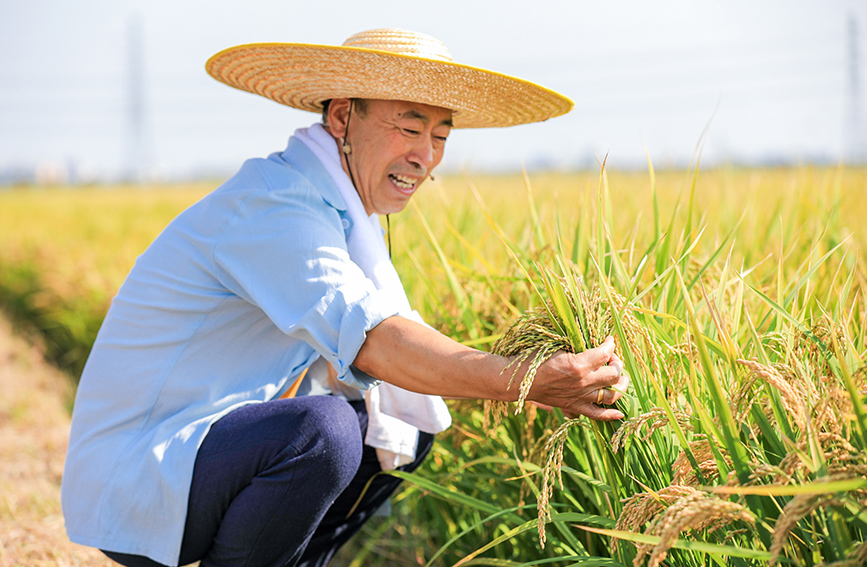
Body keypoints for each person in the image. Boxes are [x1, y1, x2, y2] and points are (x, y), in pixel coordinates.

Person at [61, 28, 630, 567]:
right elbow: (376, 340)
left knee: (402, 426)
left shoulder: (335, 209)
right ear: (340, 118)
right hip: (137, 472)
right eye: (409, 128)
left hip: (199, 452)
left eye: (440, 136)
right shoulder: (277, 207)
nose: (425, 156)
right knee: (325, 432)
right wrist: (524, 380)